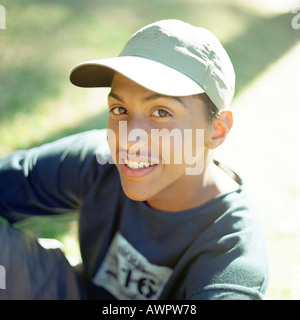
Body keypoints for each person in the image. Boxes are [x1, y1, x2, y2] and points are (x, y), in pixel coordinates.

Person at [0, 19, 268, 300]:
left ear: (217, 130)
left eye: (161, 112)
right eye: (119, 108)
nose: (128, 138)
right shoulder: (99, 163)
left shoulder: (232, 256)